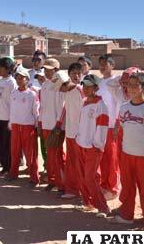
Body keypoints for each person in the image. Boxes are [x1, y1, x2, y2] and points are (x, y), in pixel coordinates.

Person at [110, 72, 144, 230]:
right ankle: (127, 215)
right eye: (128, 85)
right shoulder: (124, 108)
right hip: (127, 153)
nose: (130, 88)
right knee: (128, 186)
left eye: (135, 85)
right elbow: (124, 127)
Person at [75, 74, 110, 218]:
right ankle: (88, 203)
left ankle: (103, 207)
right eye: (84, 86)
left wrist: (97, 145)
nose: (85, 89)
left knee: (89, 178)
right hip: (81, 143)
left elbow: (102, 128)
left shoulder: (101, 106)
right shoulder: (85, 102)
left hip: (93, 147)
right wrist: (78, 138)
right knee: (83, 176)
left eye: (89, 86)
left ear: (96, 88)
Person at [52, 64, 84, 199]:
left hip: (81, 135)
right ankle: (72, 190)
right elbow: (66, 109)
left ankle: (85, 191)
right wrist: (59, 123)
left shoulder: (81, 91)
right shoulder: (68, 93)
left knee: (81, 164)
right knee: (71, 164)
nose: (60, 91)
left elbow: (87, 112)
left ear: (65, 83)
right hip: (70, 133)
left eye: (61, 88)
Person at [8, 66, 39, 186]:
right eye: (17, 77)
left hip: (28, 127)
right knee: (14, 152)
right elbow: (12, 110)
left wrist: (36, 126)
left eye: (22, 78)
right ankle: (13, 174)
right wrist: (10, 123)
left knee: (30, 154)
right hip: (15, 126)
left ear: (27, 79)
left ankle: (34, 178)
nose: (19, 80)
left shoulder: (32, 94)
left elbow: (36, 112)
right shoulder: (13, 93)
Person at [40, 58, 65, 193]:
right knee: (49, 157)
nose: (46, 72)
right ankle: (52, 180)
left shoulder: (60, 85)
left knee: (57, 156)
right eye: (45, 69)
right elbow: (42, 106)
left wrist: (58, 124)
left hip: (56, 126)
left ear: (56, 70)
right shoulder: (44, 85)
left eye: (49, 69)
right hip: (45, 124)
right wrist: (40, 122)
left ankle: (61, 184)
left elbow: (62, 107)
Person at [0, 57, 17, 179]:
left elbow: (13, 103)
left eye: (1, 68)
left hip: (7, 119)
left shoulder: (12, 83)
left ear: (7, 69)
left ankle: (8, 168)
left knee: (7, 146)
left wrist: (11, 120)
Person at [97, 54, 119, 200]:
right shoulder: (99, 82)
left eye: (105, 64)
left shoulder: (117, 81)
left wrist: (117, 123)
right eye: (100, 64)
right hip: (100, 125)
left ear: (112, 65)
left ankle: (113, 188)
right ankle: (104, 185)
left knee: (112, 159)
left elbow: (120, 103)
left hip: (112, 125)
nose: (102, 66)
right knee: (103, 158)